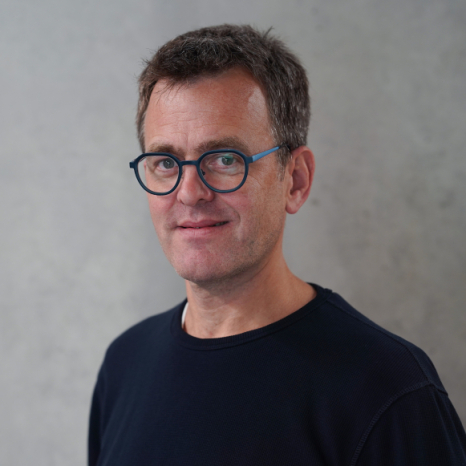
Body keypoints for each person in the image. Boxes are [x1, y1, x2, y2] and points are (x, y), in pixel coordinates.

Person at [88, 24, 466, 466]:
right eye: (165, 162)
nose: (189, 192)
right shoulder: (125, 365)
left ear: (296, 180)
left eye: (226, 159)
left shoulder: (387, 390)